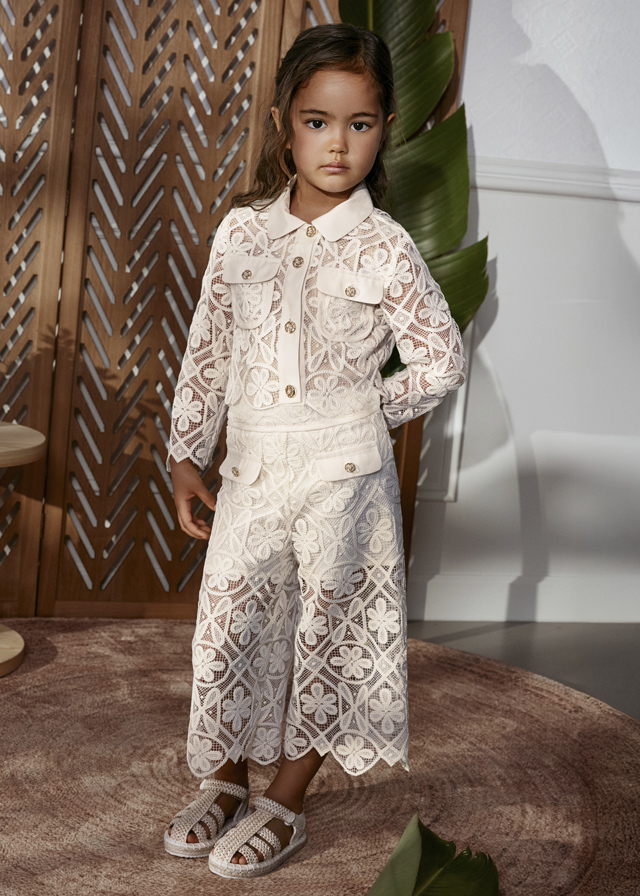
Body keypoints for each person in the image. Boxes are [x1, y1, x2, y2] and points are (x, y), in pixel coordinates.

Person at [164, 22, 467, 879]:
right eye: (318, 122)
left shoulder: (386, 247)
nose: (338, 144)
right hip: (252, 474)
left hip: (344, 483)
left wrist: (370, 410)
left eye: (359, 124)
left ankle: (286, 800)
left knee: (326, 640)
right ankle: (225, 780)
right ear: (283, 126)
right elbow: (209, 351)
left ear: (385, 128)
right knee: (231, 628)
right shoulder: (241, 235)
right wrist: (186, 453)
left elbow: (441, 358)